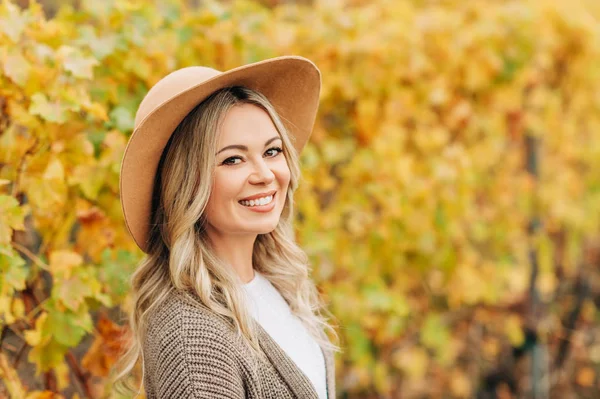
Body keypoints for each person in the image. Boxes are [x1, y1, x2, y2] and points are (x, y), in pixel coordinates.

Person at [112, 56, 340, 398]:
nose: (264, 174)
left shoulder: (276, 286)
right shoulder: (192, 337)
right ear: (187, 183)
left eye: (272, 151)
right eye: (233, 159)